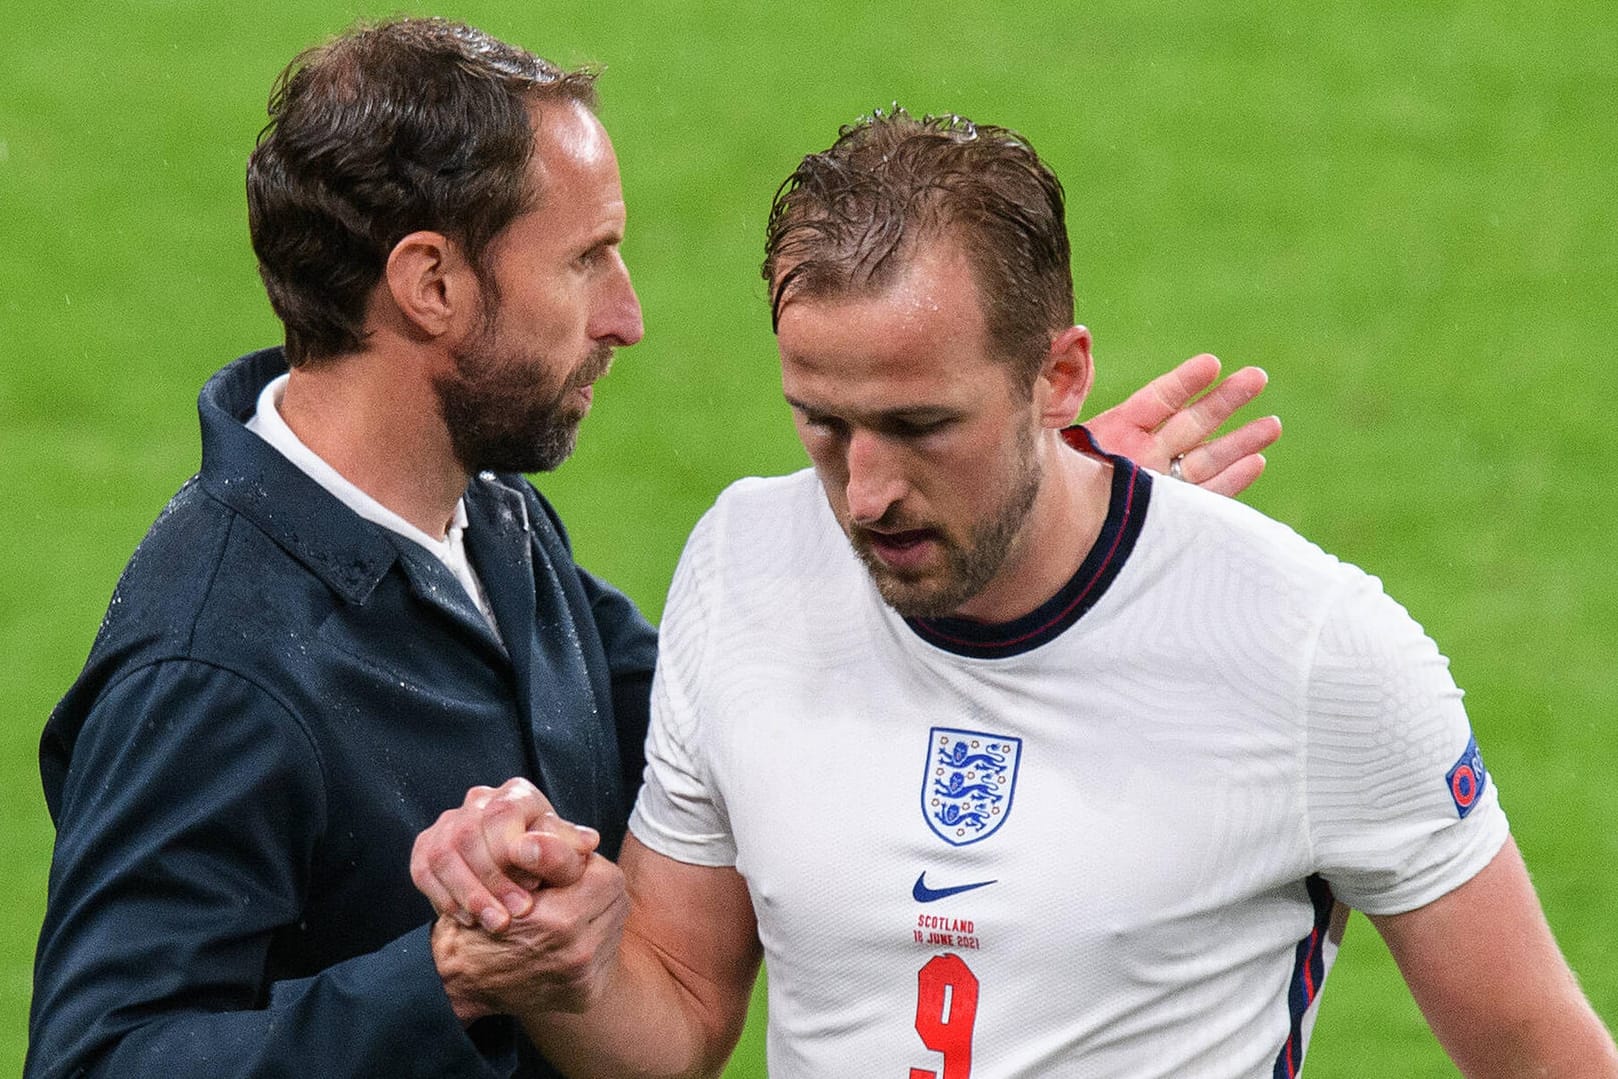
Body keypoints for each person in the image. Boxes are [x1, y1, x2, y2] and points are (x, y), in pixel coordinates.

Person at [26, 20, 1276, 1079]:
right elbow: (100, 1054)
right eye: (585, 259)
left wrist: (1014, 497)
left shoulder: (484, 524)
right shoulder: (216, 664)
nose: (626, 314)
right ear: (431, 285)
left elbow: (735, 698)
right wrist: (446, 975)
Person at [415, 110, 1618, 1077]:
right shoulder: (746, 558)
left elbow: (1538, 1051)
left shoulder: (1313, 650)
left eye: (920, 425)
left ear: (1059, 376)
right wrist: (557, 960)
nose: (865, 493)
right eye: (821, 423)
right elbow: (674, 1014)